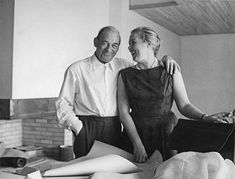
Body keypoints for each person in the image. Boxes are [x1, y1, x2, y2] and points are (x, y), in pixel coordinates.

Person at [56, 26, 180, 159]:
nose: (109, 49)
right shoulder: (77, 69)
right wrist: (78, 128)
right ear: (95, 42)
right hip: (87, 128)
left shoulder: (124, 66)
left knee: (114, 171)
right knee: (86, 172)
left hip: (114, 129)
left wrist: (165, 60)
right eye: (105, 43)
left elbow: (147, 64)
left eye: (115, 45)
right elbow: (63, 104)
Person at [117, 26, 229, 163]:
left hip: (167, 135)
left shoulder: (171, 70)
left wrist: (204, 117)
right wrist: (137, 144)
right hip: (136, 136)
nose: (129, 47)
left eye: (133, 42)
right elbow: (124, 113)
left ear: (148, 44)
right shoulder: (125, 75)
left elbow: (185, 105)